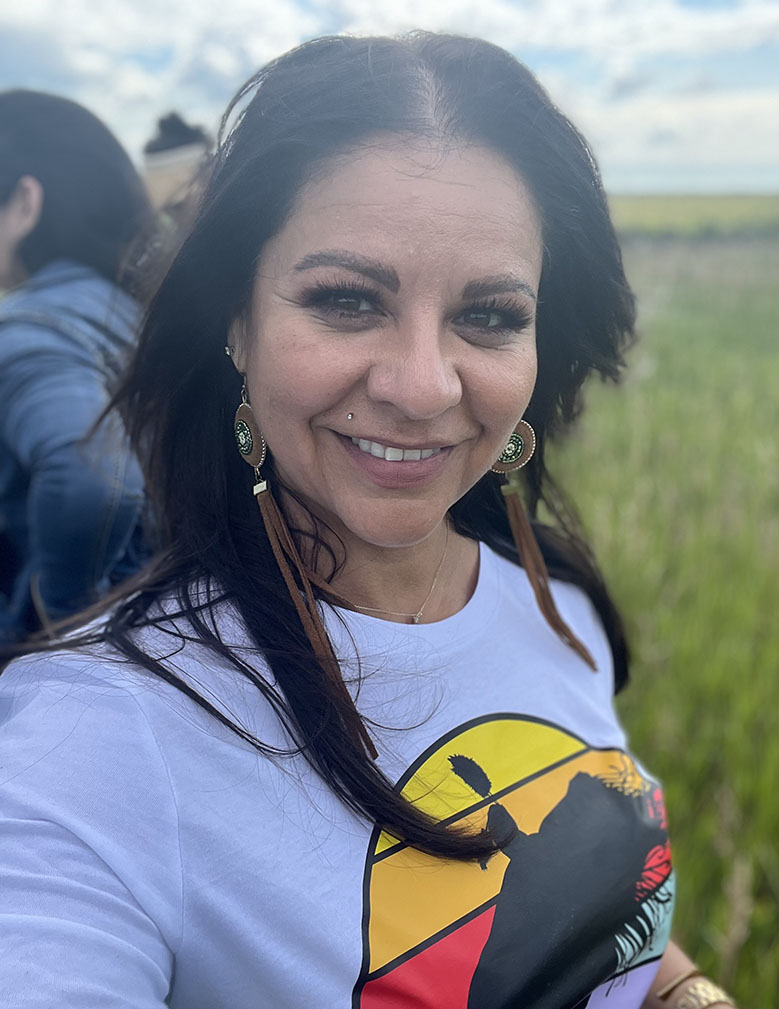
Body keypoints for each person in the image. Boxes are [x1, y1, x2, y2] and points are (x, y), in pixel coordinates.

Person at [0, 35, 737, 1009]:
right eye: (347, 300)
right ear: (235, 318)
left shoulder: (556, 602)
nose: (423, 386)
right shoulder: (87, 738)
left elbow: (599, 913)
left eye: (488, 314)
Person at [0, 90, 151, 644]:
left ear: (24, 203)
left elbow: (93, 478)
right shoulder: (145, 312)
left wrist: (61, 613)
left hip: (80, 657)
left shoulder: (29, 329)